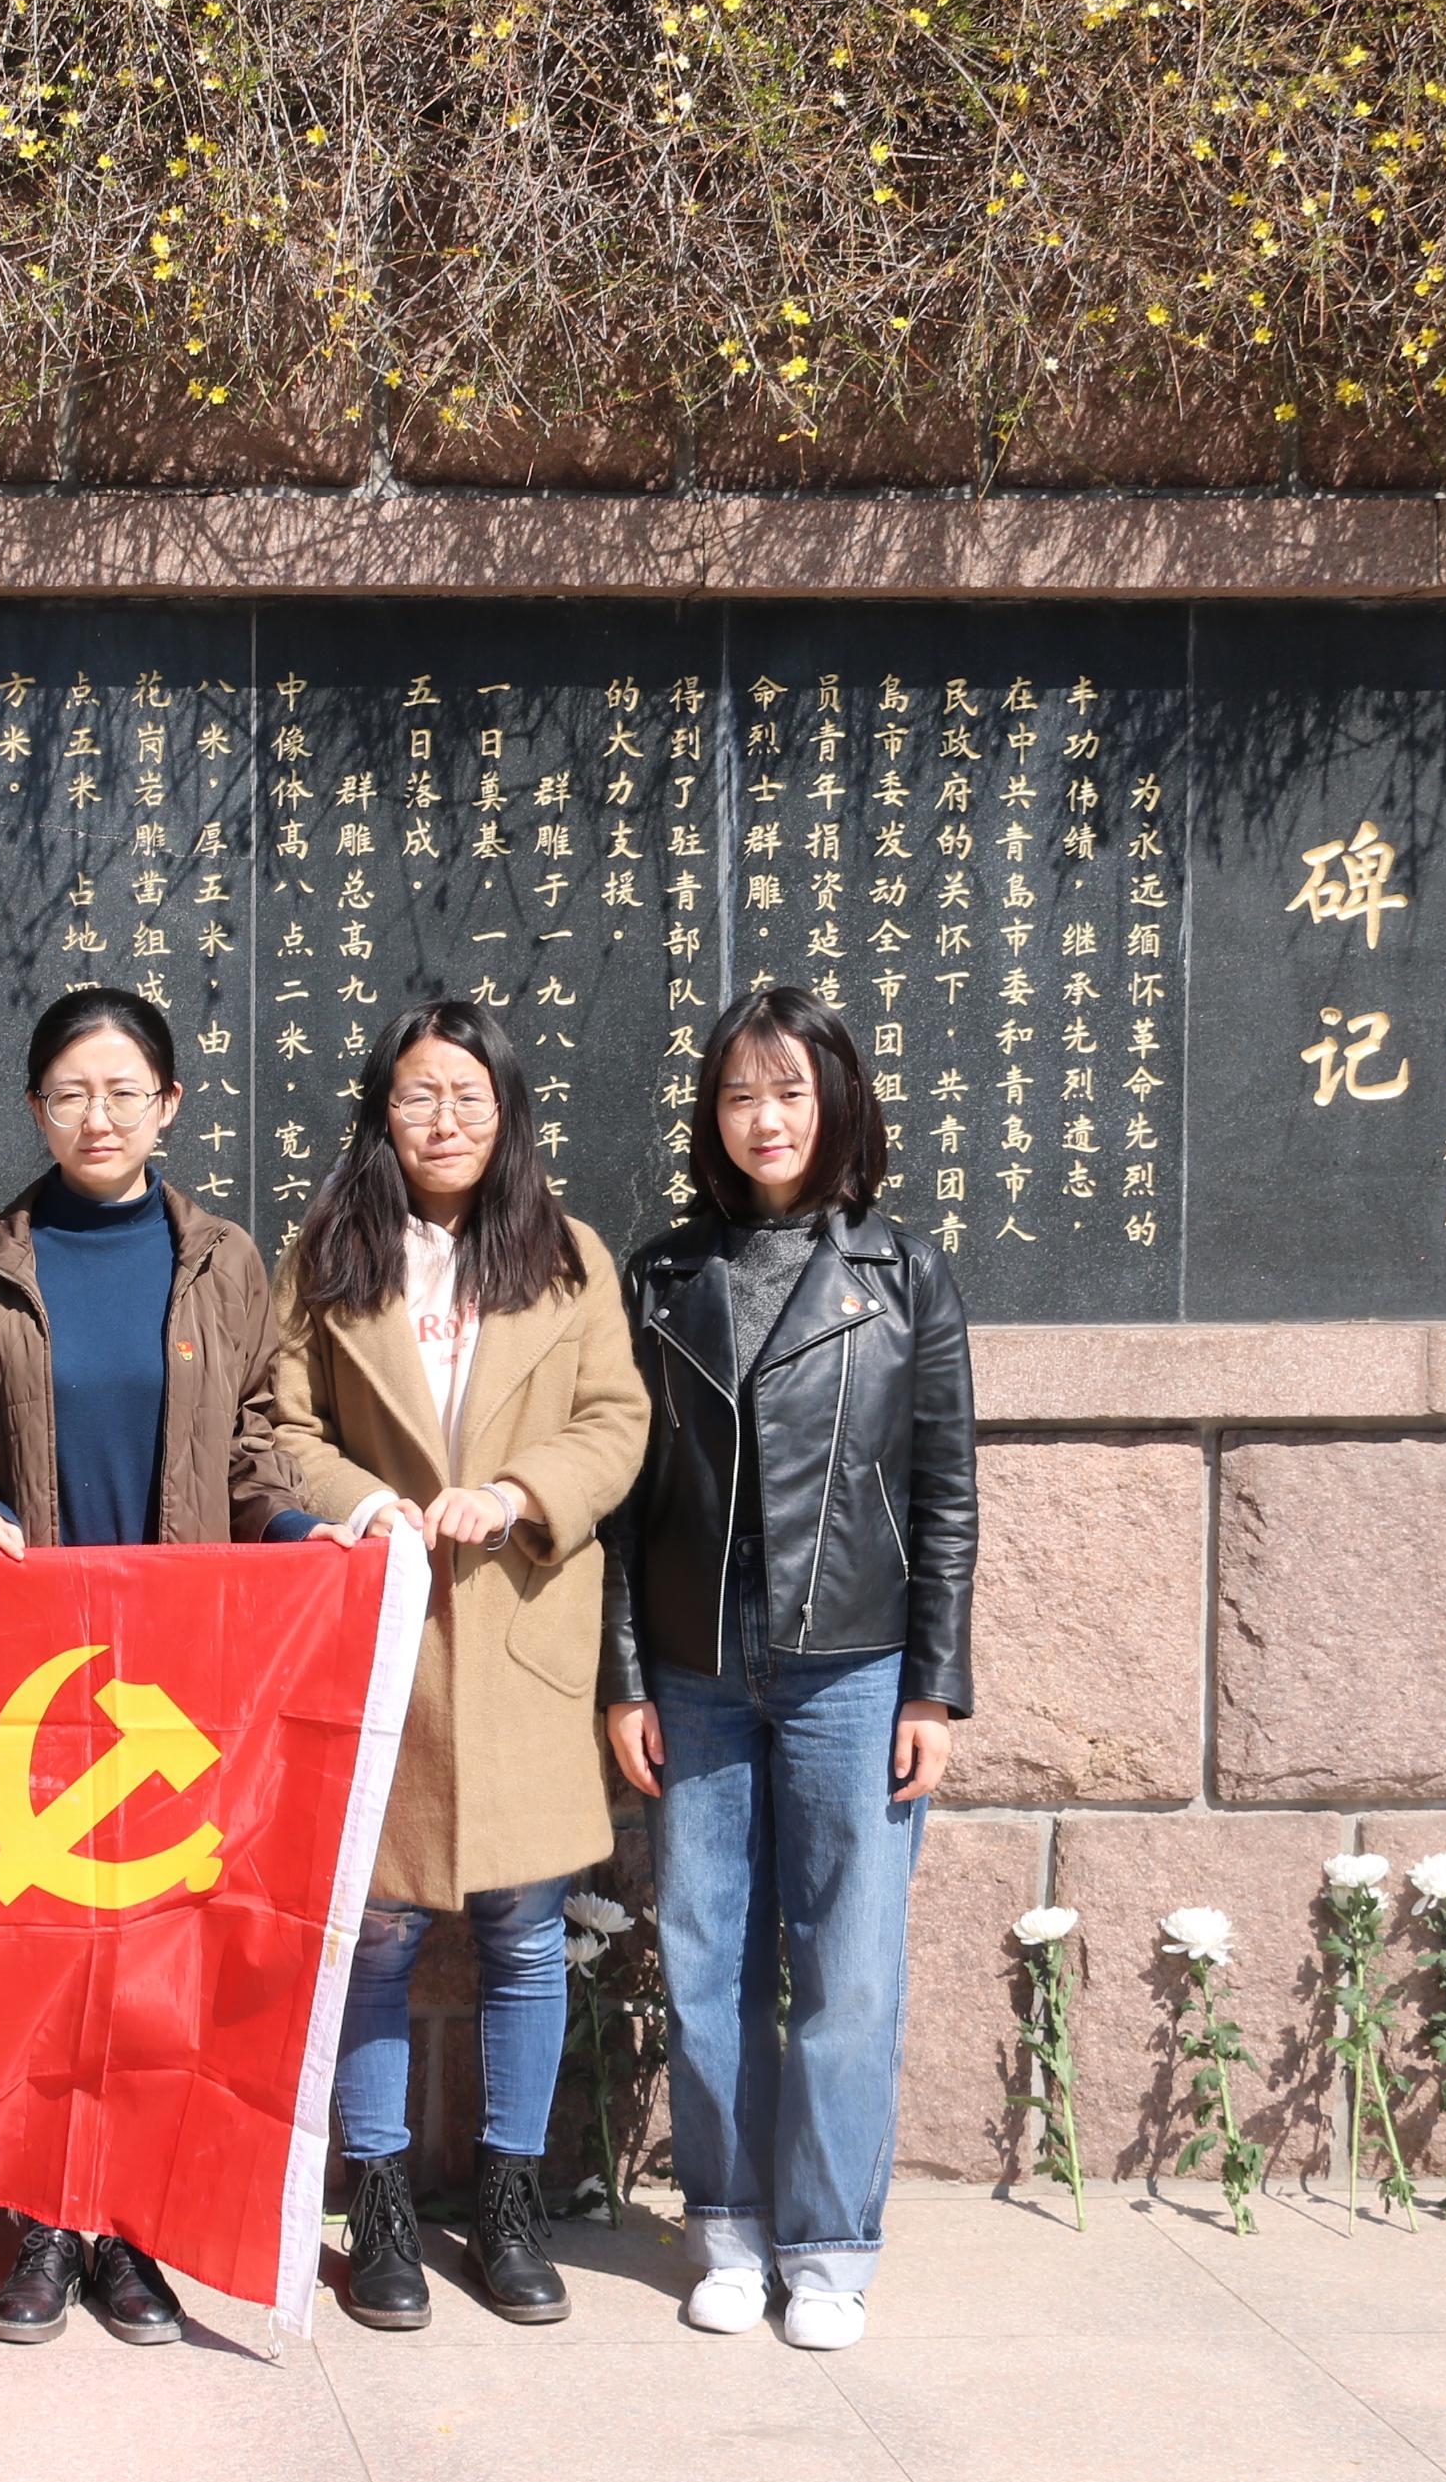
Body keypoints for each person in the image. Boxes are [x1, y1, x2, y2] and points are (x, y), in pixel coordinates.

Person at [0, 982, 304, 2348]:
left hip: (180, 1664)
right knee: (42, 1949)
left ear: (170, 1105)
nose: (99, 1116)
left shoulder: (223, 1260)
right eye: (71, 1093)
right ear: (35, 1109)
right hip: (36, 1663)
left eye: (126, 1091)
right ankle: (45, 2220)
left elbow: (255, 1439)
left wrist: (307, 1532)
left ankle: (130, 2224)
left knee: (157, 1946)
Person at [264, 998, 648, 2332]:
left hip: (522, 1626)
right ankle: (375, 2207)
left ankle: (508, 2203)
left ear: (507, 1112)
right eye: (419, 1094)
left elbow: (615, 1420)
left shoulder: (568, 1257)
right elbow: (280, 1426)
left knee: (525, 1934)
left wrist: (524, 1491)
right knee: (375, 1932)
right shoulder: (330, 1253)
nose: (444, 1119)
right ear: (383, 1110)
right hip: (382, 1637)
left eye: (468, 1096)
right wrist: (367, 1502)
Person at [601, 982, 974, 2353]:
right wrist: (625, 1675)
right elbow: (624, 1499)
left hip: (853, 1666)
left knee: (848, 1961)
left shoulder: (905, 1274)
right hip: (697, 1663)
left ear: (838, 1105)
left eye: (790, 1091)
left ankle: (828, 2248)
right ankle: (728, 2229)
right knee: (705, 1954)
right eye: (739, 1093)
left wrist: (932, 1684)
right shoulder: (662, 1275)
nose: (764, 1118)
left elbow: (945, 1490)